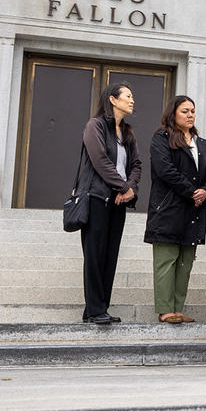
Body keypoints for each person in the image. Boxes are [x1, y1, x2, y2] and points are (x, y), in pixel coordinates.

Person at [144, 96, 206, 324]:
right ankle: (165, 309)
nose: (190, 115)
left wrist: (205, 191)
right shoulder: (161, 139)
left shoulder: (199, 142)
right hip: (168, 209)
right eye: (185, 111)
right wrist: (192, 192)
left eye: (193, 111)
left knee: (185, 262)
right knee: (166, 261)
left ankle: (177, 308)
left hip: (192, 212)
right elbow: (166, 170)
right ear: (173, 113)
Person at [78, 83, 141, 324]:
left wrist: (131, 189)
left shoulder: (127, 133)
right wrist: (123, 187)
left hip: (119, 202)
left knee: (110, 255)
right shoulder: (94, 126)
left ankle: (99, 308)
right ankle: (94, 309)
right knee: (95, 254)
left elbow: (137, 165)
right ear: (113, 100)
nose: (132, 100)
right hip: (97, 198)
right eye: (128, 95)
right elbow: (100, 160)